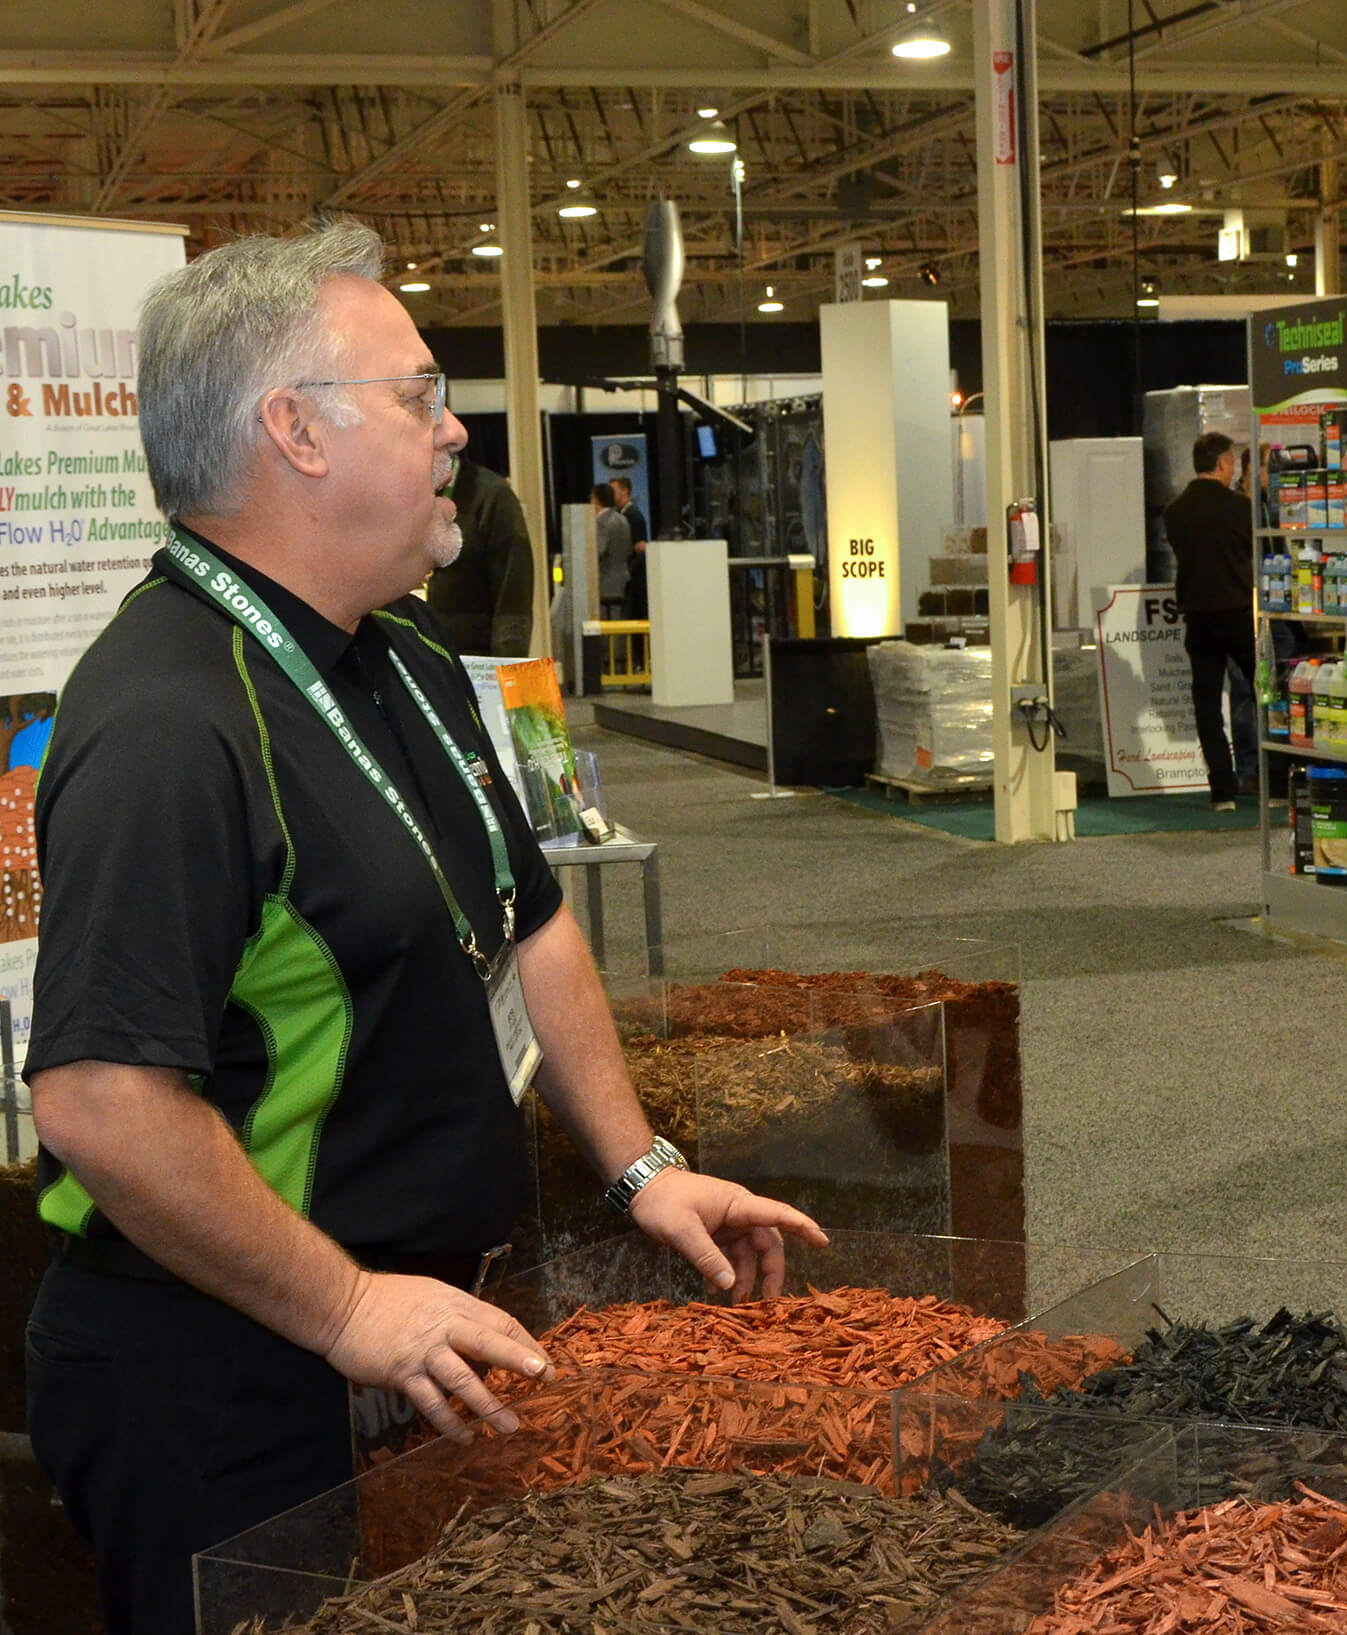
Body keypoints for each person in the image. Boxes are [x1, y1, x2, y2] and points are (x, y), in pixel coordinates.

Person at [22, 221, 828, 1635]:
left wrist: (641, 1164)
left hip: (412, 1342)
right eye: (417, 394)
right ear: (295, 432)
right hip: (230, 1375)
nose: (455, 430)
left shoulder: (405, 657)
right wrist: (345, 1309)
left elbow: (529, 923)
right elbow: (100, 1098)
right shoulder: (168, 721)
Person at [1162, 431, 1258, 809]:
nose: (1233, 469)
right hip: (1239, 612)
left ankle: (1222, 790)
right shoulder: (1240, 508)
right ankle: (1274, 776)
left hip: (1198, 616)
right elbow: (1258, 552)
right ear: (1221, 463)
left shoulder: (1175, 511)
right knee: (1264, 692)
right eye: (1232, 462)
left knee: (1206, 704)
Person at [421, 453, 535, 655]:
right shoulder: (393, 489)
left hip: (471, 659)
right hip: (406, 654)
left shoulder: (492, 495)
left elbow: (514, 600)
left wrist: (510, 664)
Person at [591, 480, 634, 619]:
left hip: (605, 584)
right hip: (622, 580)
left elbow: (598, 551)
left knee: (605, 625)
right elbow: (628, 549)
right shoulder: (623, 519)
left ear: (596, 500)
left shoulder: (600, 523)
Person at [612, 475, 651, 620]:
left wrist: (628, 570)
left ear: (625, 491)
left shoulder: (633, 516)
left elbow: (640, 548)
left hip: (634, 579)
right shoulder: (620, 514)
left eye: (613, 490)